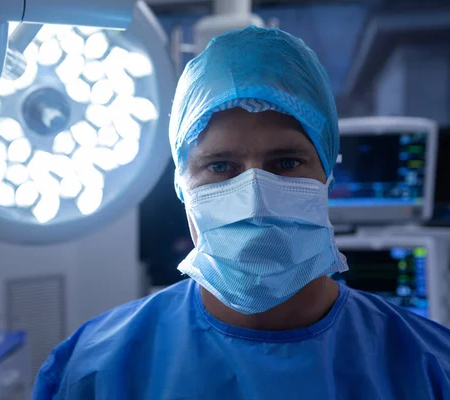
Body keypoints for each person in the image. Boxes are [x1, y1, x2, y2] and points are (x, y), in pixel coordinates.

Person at [32, 26, 450, 399]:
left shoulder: (429, 367)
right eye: (219, 167)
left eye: (286, 162)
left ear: (326, 178)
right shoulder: (94, 369)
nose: (254, 198)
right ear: (183, 187)